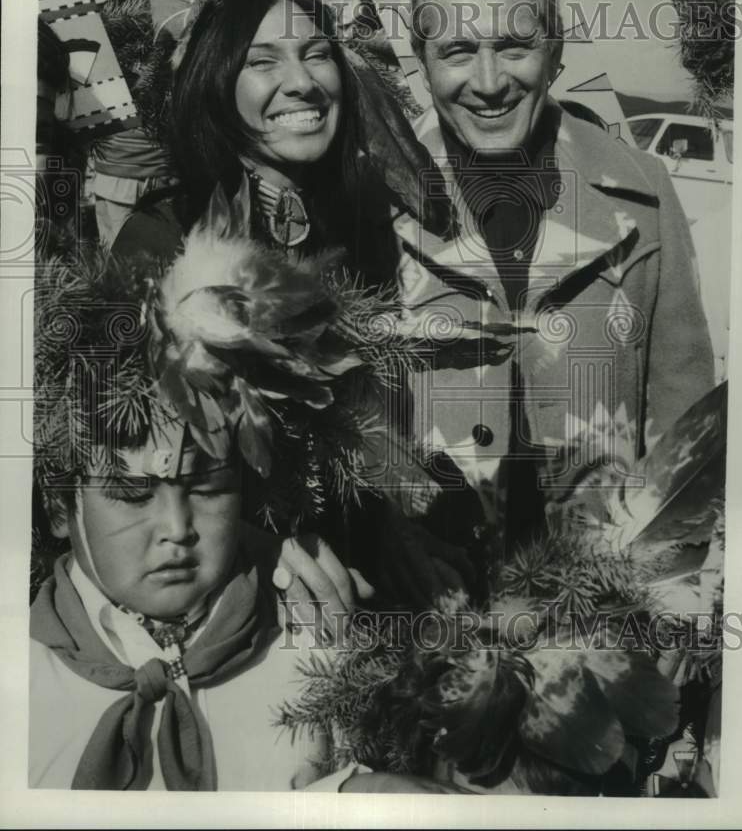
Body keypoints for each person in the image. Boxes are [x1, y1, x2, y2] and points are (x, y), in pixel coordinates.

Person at [111, 0, 488, 611]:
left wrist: (395, 529)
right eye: (262, 62)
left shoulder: (360, 229)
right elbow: (123, 453)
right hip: (210, 574)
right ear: (215, 82)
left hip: (345, 563)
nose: (303, 82)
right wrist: (258, 545)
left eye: (316, 54)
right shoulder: (163, 236)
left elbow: (365, 419)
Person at [29, 228, 459, 793]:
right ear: (61, 506)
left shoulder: (306, 644)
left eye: (207, 489)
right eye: (133, 494)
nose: (178, 530)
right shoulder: (23, 675)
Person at [404, 0, 715, 549]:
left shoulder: (642, 189)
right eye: (458, 51)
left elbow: (687, 420)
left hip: (599, 588)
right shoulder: (375, 195)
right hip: (428, 588)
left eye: (515, 47)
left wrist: (667, 580)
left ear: (555, 53)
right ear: (423, 62)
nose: (489, 82)